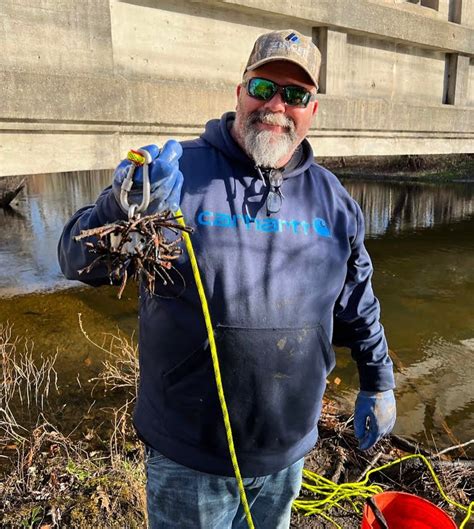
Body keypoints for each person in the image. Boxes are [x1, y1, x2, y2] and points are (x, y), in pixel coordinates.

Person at [59, 29, 396, 529]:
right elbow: (76, 260)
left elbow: (356, 301)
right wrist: (123, 207)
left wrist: (378, 379)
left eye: (296, 95)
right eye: (264, 88)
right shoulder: (178, 175)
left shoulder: (333, 200)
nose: (277, 105)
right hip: (188, 457)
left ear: (313, 110)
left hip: (287, 452)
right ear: (240, 93)